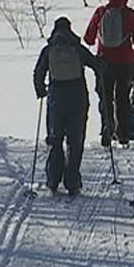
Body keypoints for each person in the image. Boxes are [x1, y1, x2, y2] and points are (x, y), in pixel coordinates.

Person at [33, 17, 106, 195]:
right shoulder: (77, 48)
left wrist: (41, 90)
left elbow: (38, 72)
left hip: (56, 96)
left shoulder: (49, 49)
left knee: (55, 138)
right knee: (75, 140)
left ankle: (52, 179)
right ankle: (72, 182)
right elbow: (95, 64)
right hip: (77, 95)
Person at [84, 0, 134, 147]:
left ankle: (107, 128)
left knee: (105, 97)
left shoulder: (101, 12)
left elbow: (88, 38)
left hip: (103, 62)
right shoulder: (129, 14)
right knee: (123, 98)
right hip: (125, 63)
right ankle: (123, 133)